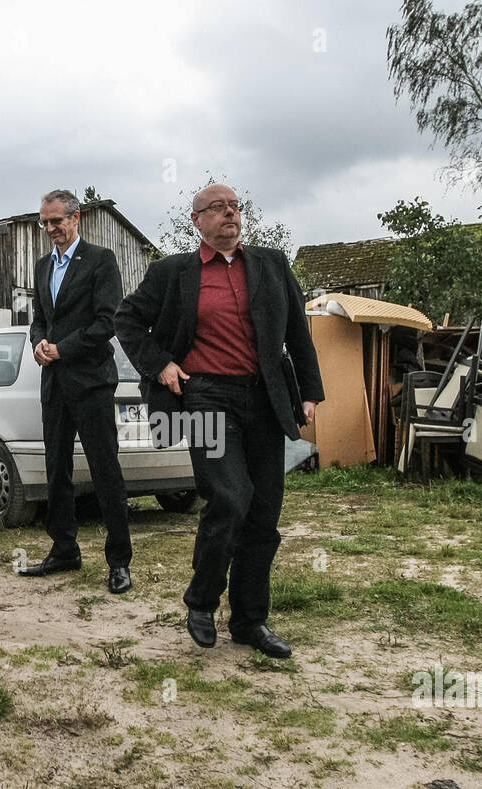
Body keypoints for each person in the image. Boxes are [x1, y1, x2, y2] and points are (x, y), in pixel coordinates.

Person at [115, 183, 323, 658]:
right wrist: (162, 363)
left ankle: (250, 621)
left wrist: (310, 391)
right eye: (218, 208)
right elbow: (126, 320)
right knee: (230, 496)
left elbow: (296, 329)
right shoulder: (173, 272)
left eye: (234, 207)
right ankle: (203, 599)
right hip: (206, 398)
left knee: (264, 512)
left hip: (264, 399)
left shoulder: (270, 265)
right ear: (198, 221)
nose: (229, 213)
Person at [19, 188, 133, 595]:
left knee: (106, 471)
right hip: (54, 386)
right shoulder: (41, 267)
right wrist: (38, 343)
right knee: (57, 471)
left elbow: (108, 323)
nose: (50, 229)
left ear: (76, 218)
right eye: (44, 223)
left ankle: (119, 561)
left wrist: (61, 348)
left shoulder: (101, 261)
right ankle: (64, 549)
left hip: (91, 383)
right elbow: (39, 320)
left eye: (57, 221)